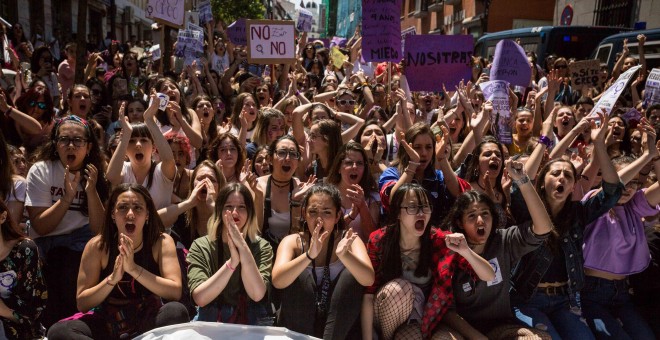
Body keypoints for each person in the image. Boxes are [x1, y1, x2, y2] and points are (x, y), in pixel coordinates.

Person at [509, 112, 623, 339]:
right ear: (542, 182)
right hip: (528, 300)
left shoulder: (578, 213)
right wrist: (543, 139)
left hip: (564, 300)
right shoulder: (526, 210)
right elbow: (520, 185)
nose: (561, 178)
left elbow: (613, 192)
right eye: (555, 173)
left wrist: (599, 144)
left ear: (573, 187)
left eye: (568, 176)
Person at [47, 184, 189, 339]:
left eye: (137, 208)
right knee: (59, 332)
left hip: (147, 317)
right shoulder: (97, 246)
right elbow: (83, 303)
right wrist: (111, 279)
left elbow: (175, 291)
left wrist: (133, 269)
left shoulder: (161, 242)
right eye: (122, 208)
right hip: (108, 319)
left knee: (176, 311)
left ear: (147, 214)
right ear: (113, 214)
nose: (130, 214)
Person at [362, 183, 495, 339]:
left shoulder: (438, 240)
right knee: (399, 289)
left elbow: (488, 276)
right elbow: (368, 295)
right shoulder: (379, 240)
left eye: (425, 207)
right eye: (412, 208)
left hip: (421, 318)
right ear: (398, 213)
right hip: (386, 312)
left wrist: (466, 252)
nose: (421, 213)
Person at [440, 160, 553, 339]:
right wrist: (478, 338)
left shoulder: (503, 240)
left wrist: (523, 179)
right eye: (471, 216)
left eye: (485, 214)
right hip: (462, 330)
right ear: (459, 223)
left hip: (500, 327)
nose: (480, 221)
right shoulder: (449, 250)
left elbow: (543, 228)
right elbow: (447, 311)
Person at [25, 115, 109, 327]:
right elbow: (41, 227)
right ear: (55, 144)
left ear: (88, 147)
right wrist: (66, 198)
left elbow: (99, 230)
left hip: (80, 241)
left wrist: (91, 192)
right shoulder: (41, 170)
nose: (71, 146)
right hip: (45, 241)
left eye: (78, 141)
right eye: (64, 140)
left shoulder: (96, 174)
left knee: (73, 262)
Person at [580, 121, 659, 339]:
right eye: (626, 181)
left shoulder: (635, 206)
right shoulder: (594, 202)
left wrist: (655, 157)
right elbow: (613, 188)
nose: (629, 188)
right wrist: (645, 156)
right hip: (591, 292)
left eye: (635, 183)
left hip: (622, 292)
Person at [272, 184, 375, 339]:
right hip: (300, 323)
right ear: (304, 214)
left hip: (335, 324)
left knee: (351, 275)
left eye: (327, 213)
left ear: (337, 216)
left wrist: (345, 256)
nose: (319, 219)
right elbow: (278, 281)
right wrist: (307, 256)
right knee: (298, 275)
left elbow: (368, 279)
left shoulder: (348, 240)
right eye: (313, 212)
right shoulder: (292, 241)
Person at [186, 183, 274, 325]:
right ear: (219, 211)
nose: (234, 213)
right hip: (212, 317)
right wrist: (232, 263)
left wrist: (243, 248)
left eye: (242, 207)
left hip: (251, 317)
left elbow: (257, 294)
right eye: (228, 207)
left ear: (250, 213)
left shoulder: (262, 246)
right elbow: (200, 298)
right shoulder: (201, 246)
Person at [379, 123, 463, 226]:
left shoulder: (439, 176)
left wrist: (442, 158)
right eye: (417, 147)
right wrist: (413, 164)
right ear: (406, 148)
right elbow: (393, 200)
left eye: (428, 147)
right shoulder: (391, 173)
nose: (423, 153)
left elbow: (459, 193)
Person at [106, 98, 176, 211]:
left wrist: (149, 120)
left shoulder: (161, 171)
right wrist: (125, 137)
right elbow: (112, 176)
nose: (138, 145)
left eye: (143, 140)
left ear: (153, 148)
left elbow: (169, 160)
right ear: (125, 149)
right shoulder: (123, 168)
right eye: (132, 141)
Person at [0, 198, 47, 340]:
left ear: (2, 217)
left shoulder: (24, 250)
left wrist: (4, 310)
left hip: (18, 331)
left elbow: (34, 308)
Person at [325, 141, 379, 241]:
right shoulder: (326, 196)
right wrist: (351, 216)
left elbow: (372, 238)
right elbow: (325, 233)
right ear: (339, 168)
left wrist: (362, 207)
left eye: (359, 163)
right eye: (349, 162)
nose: (354, 167)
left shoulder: (372, 198)